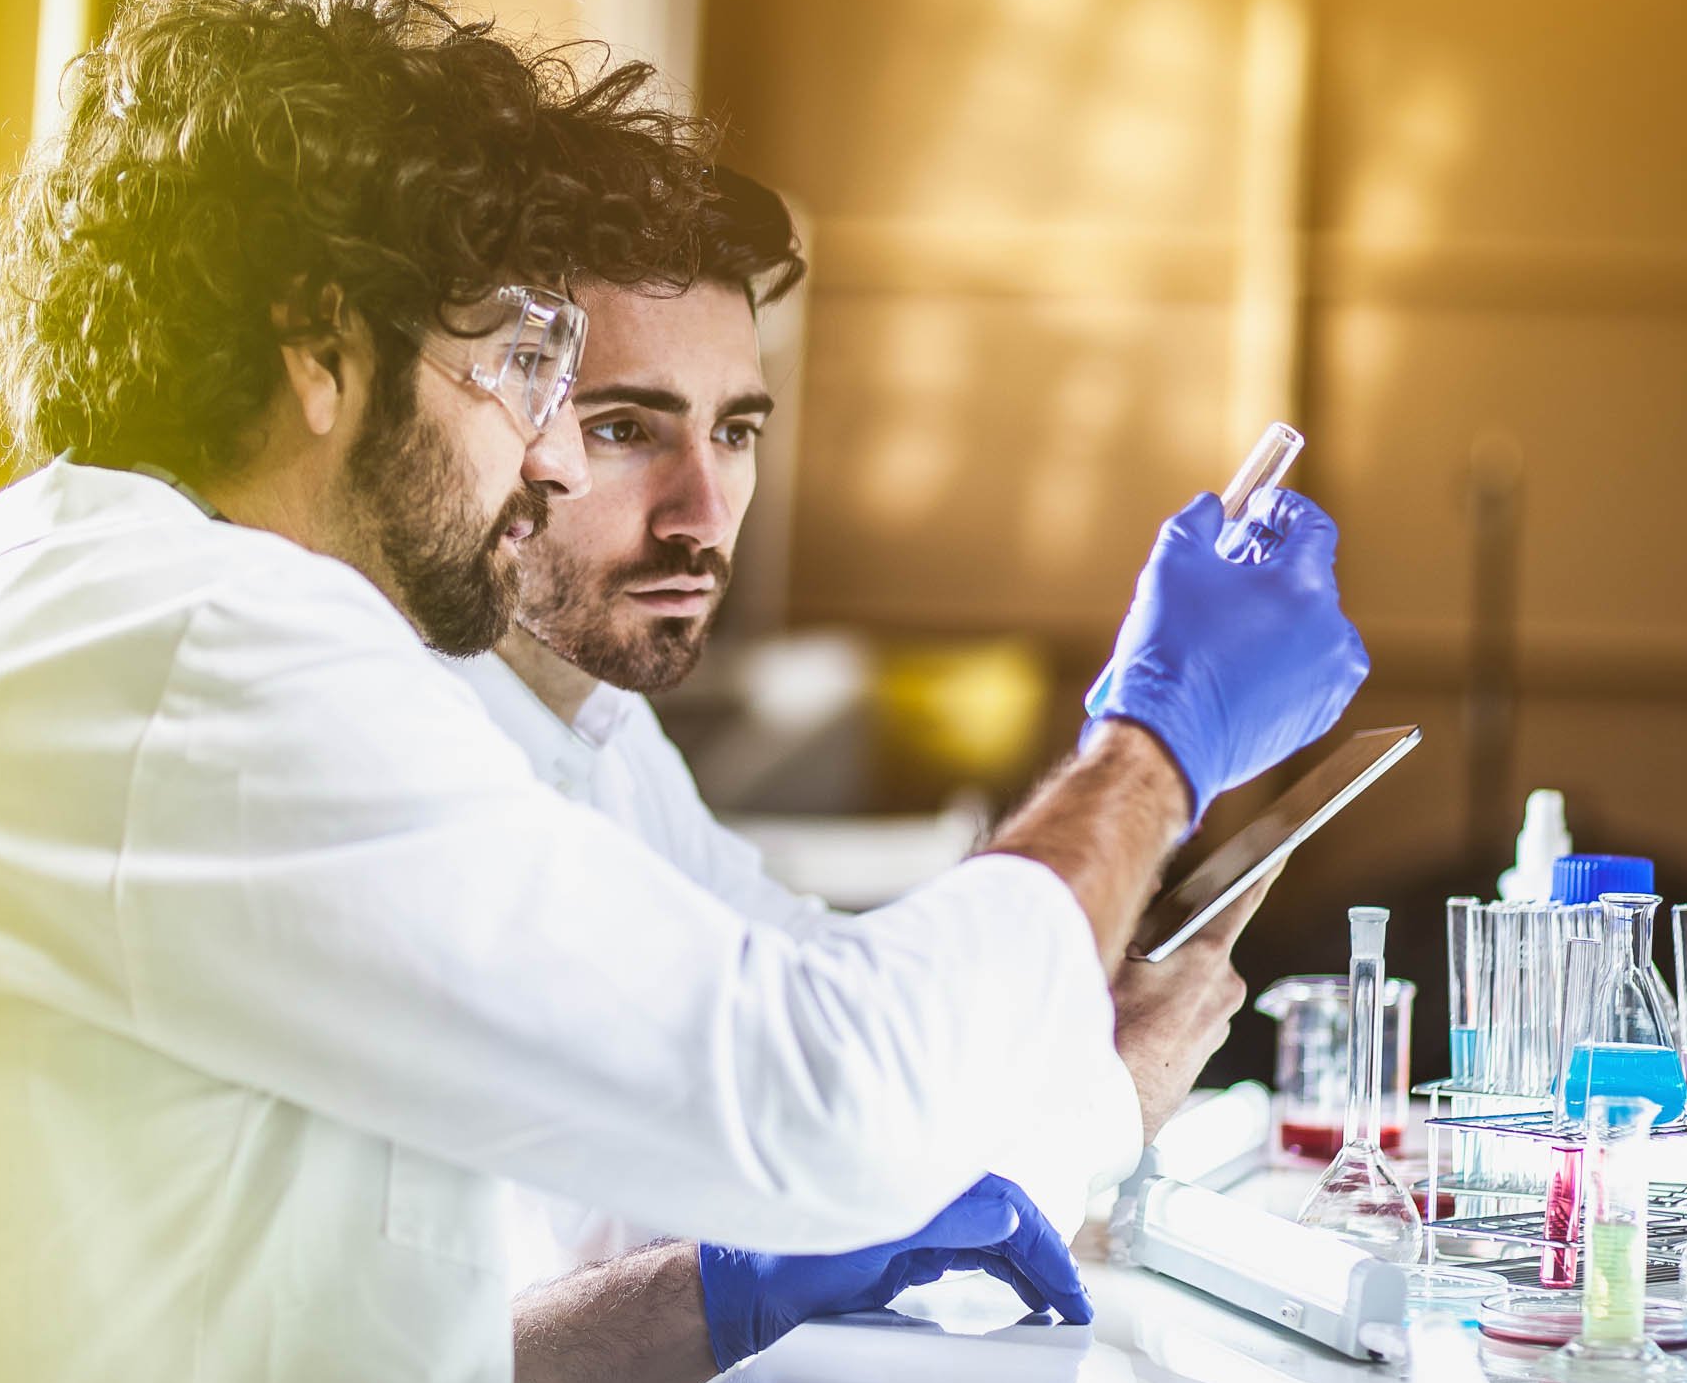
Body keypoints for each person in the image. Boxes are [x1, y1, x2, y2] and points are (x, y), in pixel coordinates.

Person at [0, 0, 1368, 1383]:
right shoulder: (203, 662)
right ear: (325, 351)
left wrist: (799, 1239)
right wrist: (1152, 741)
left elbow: (355, 1333)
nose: (537, 459)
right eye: (513, 364)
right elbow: (831, 1097)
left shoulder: (100, 647)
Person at [466, 173, 1260, 1301]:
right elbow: (701, 1215)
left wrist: (1058, 1002)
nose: (700, 510)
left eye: (734, 430)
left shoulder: (600, 722)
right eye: (624, 428)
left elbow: (812, 975)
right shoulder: (450, 757)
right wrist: (1103, 1097)